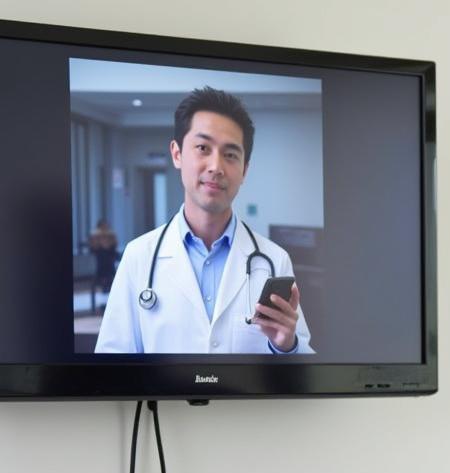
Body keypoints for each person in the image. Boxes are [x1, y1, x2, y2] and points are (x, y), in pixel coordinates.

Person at [94, 86, 312, 355]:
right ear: (177, 154)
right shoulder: (138, 256)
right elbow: (111, 361)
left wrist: (287, 345)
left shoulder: (274, 260)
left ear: (244, 170)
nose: (216, 167)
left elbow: (303, 367)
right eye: (202, 147)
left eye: (230, 154)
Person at [87, 218, 119, 297]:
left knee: (107, 255)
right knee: (103, 255)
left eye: (106, 226)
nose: (104, 228)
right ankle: (107, 280)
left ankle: (106, 280)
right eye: (103, 226)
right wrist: (101, 240)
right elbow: (93, 247)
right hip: (100, 258)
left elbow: (114, 245)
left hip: (109, 258)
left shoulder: (111, 235)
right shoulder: (95, 235)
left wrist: (106, 242)